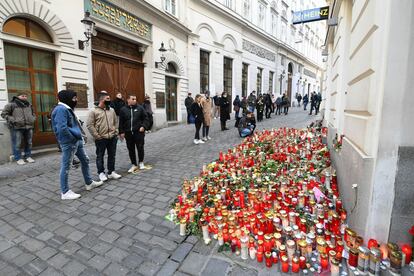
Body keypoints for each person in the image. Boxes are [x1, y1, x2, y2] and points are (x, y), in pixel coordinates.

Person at [51, 90, 103, 200]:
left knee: (85, 160)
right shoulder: (61, 109)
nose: (76, 100)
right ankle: (65, 192)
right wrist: (72, 138)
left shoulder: (67, 108)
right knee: (66, 166)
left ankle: (89, 183)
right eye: (74, 98)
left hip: (76, 141)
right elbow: (62, 128)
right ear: (67, 98)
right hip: (70, 142)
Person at [87, 93, 121, 182]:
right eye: (108, 98)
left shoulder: (112, 110)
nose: (109, 100)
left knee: (112, 155)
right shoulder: (93, 111)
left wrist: (116, 132)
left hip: (112, 137)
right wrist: (97, 136)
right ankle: (101, 173)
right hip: (101, 138)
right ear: (102, 100)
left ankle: (111, 172)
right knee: (100, 156)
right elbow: (89, 125)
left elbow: (115, 121)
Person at [1, 92, 36, 165]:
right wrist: (14, 120)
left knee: (29, 142)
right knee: (17, 144)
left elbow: (33, 113)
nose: (24, 97)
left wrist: (33, 118)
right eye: (22, 96)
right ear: (18, 96)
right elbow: (3, 114)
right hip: (17, 127)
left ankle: (28, 156)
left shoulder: (29, 104)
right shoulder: (11, 104)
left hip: (29, 126)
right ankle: (18, 158)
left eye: (25, 96)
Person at [119, 95, 150, 172]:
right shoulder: (123, 109)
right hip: (128, 133)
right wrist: (121, 132)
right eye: (133, 99)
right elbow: (121, 122)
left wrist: (143, 126)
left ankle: (141, 162)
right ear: (128, 100)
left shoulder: (140, 108)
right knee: (131, 149)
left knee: (140, 147)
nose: (134, 100)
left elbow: (146, 118)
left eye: (135, 99)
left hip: (138, 132)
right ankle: (134, 164)